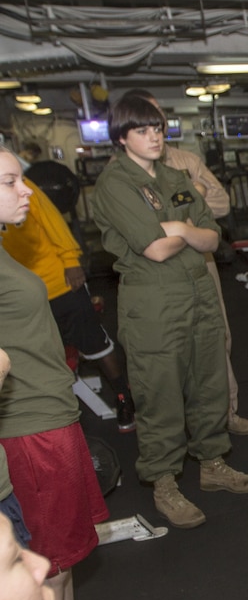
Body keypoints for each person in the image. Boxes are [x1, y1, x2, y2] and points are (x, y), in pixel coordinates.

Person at [0, 146, 138, 600]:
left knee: (65, 550)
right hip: (27, 427)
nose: (27, 191)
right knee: (47, 563)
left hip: (50, 413)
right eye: (11, 181)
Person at [90, 94, 248, 530]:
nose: (154, 137)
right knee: (160, 393)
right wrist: (187, 231)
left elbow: (212, 236)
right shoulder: (115, 184)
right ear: (121, 136)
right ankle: (164, 481)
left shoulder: (173, 176)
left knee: (209, 383)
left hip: (198, 293)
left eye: (158, 128)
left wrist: (181, 229)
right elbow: (154, 248)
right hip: (154, 301)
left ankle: (212, 463)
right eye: (143, 130)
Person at [121, 88, 248, 437]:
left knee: (217, 337)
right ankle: (185, 427)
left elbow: (222, 203)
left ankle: (226, 412)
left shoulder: (186, 161)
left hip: (201, 262)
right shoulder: (122, 173)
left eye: (158, 121)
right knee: (171, 350)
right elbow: (143, 227)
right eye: (145, 123)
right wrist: (191, 198)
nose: (155, 130)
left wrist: (189, 203)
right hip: (157, 274)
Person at [1, 175, 136, 432]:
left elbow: (52, 220)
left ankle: (122, 395)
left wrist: (71, 259)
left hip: (58, 281)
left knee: (93, 342)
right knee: (41, 351)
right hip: (18, 294)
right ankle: (54, 409)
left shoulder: (19, 185)